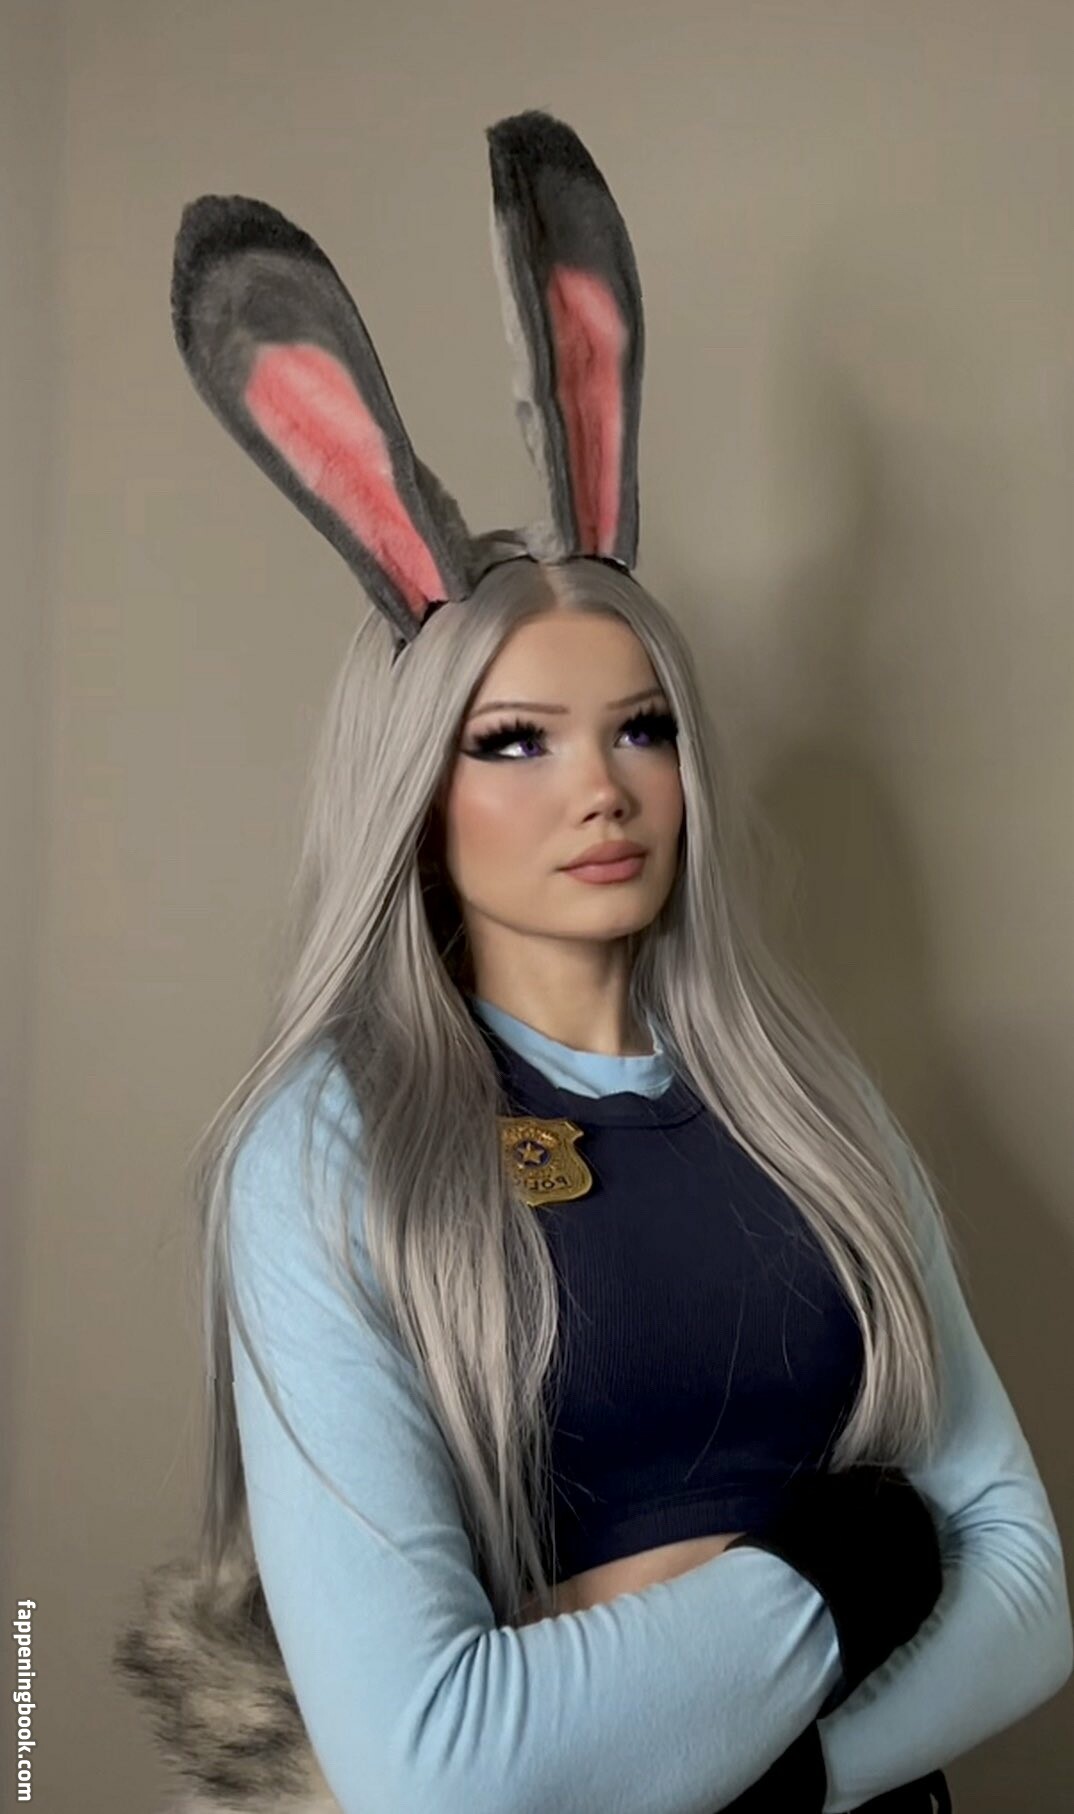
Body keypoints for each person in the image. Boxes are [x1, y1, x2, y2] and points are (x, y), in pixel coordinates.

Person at [113, 110, 1071, 1813]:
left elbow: (1027, 1593)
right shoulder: (327, 1147)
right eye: (514, 742)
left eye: (640, 726)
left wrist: (740, 1747)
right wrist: (845, 1560)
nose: (599, 789)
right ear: (413, 789)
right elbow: (437, 1767)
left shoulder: (805, 1104)